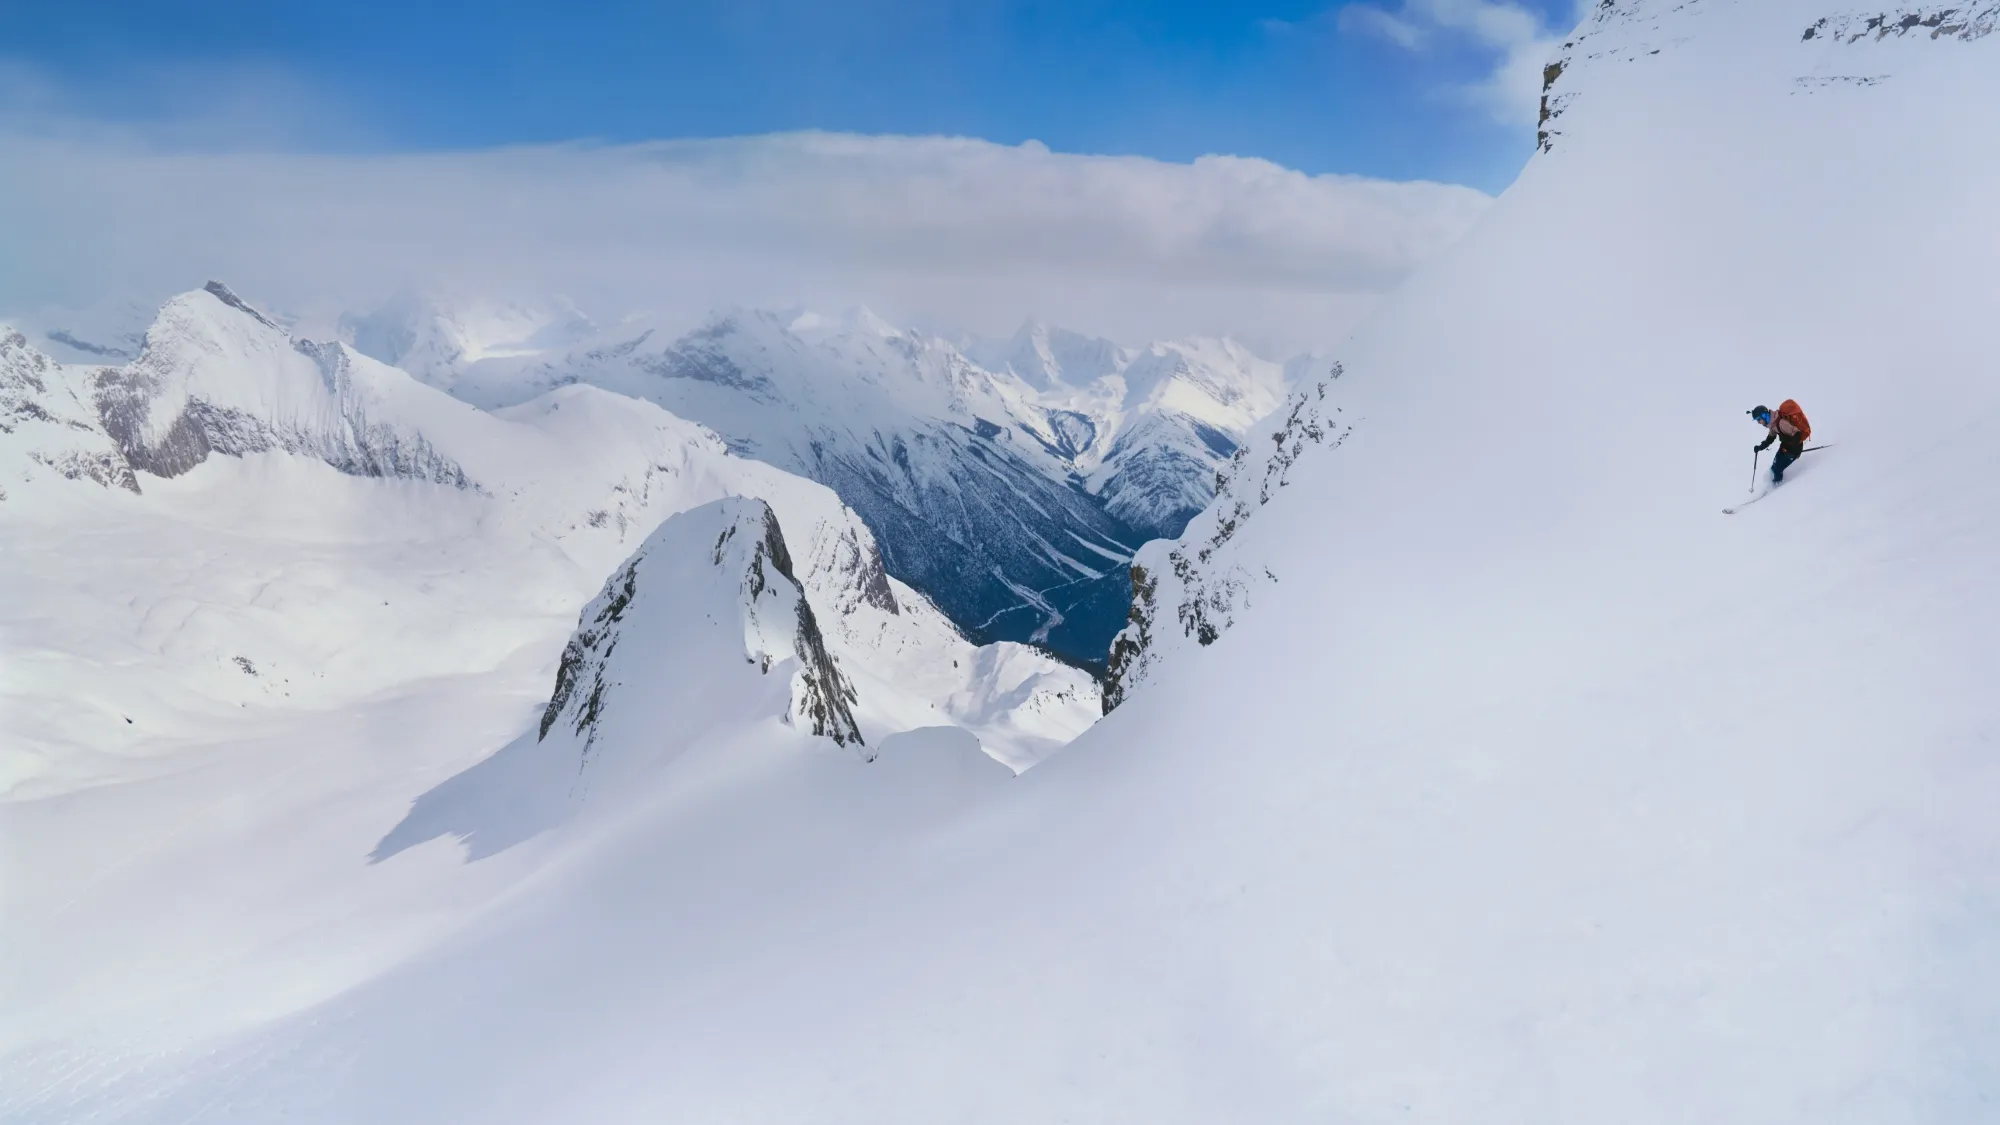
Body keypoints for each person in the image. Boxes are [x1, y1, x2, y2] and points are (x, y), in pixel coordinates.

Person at [1748, 400, 1811, 484]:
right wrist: (1760, 447)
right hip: (1785, 447)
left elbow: (1797, 434)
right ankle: (1773, 483)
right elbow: (1770, 438)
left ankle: (1777, 488)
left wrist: (1791, 445)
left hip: (1793, 450)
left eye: (1759, 420)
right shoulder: (1772, 424)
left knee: (1778, 469)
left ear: (1764, 415)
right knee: (1774, 467)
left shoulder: (1781, 423)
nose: (1759, 422)